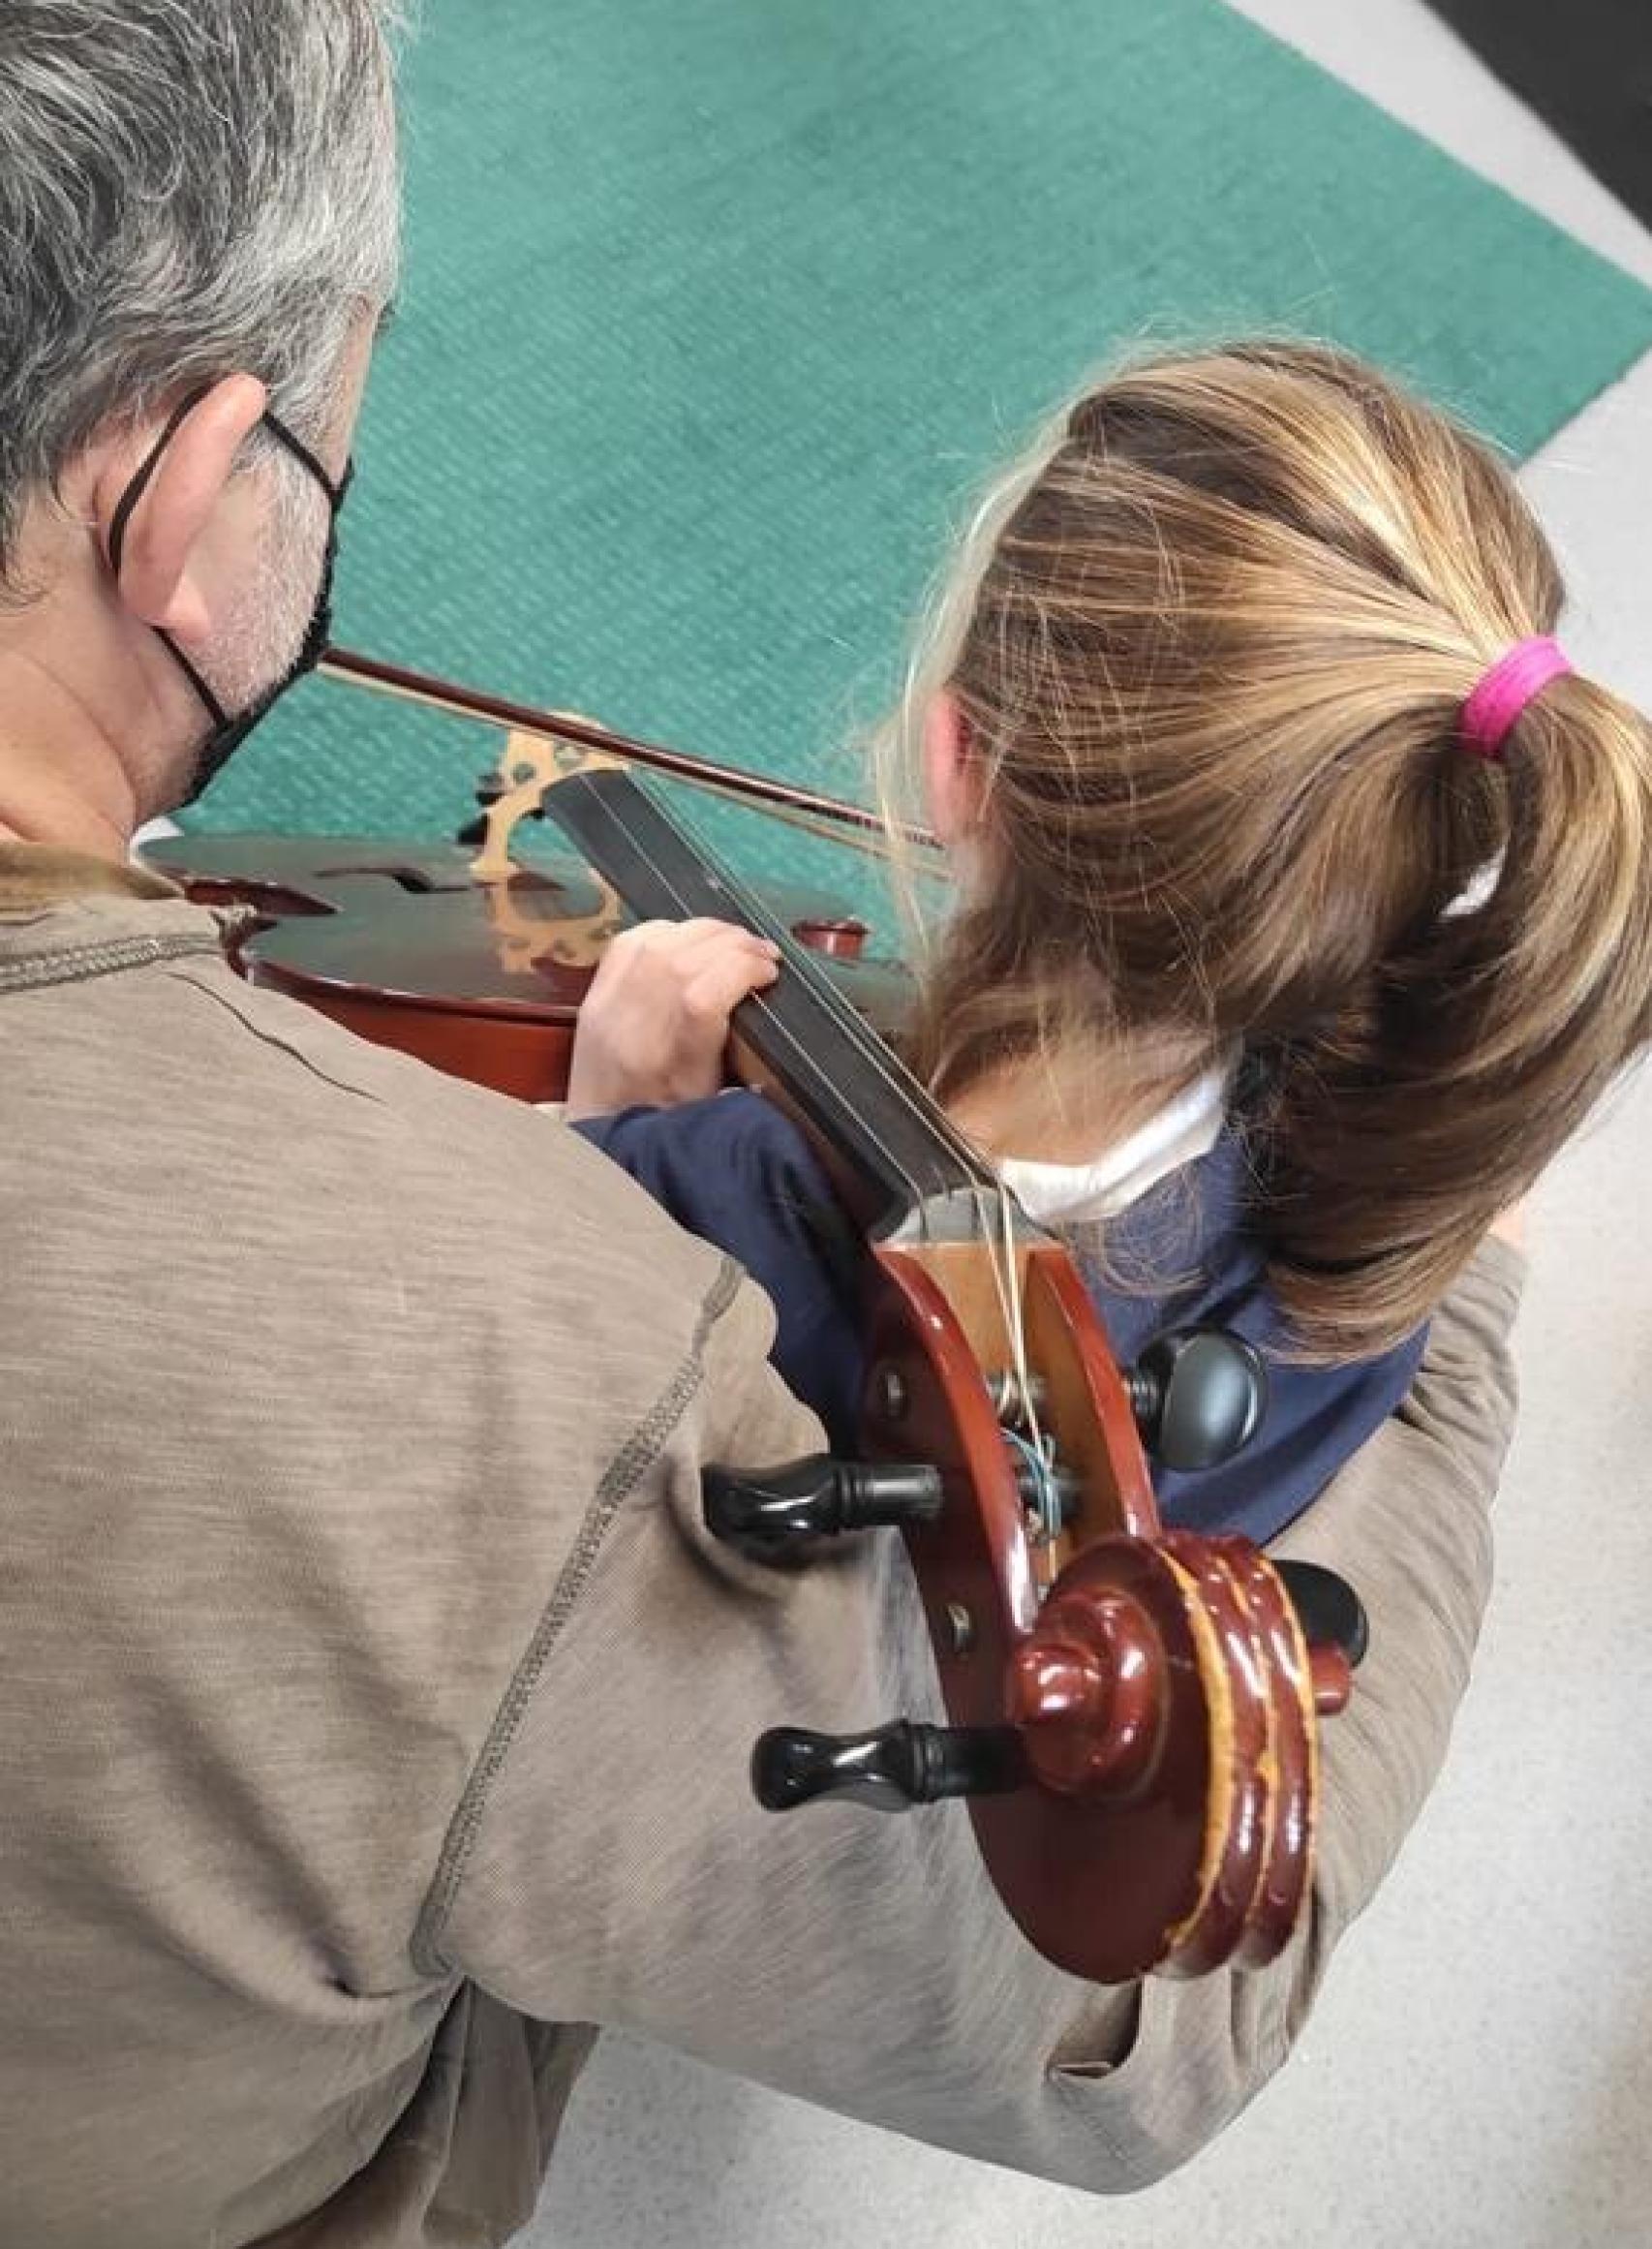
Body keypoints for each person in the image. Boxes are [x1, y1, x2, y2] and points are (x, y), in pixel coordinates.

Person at [0, 8, 1524, 2246]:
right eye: (321, 448)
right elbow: (1144, 2037)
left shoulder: (659, 1228)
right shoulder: (552, 1365)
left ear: (951, 764)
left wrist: (604, 1163)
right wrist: (1451, 1332)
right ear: (180, 491)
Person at [566, 338, 1652, 1540]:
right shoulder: (1387, 1195)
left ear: (957, 762)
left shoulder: (713, 1186)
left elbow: (557, 1388)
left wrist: (613, 1136)